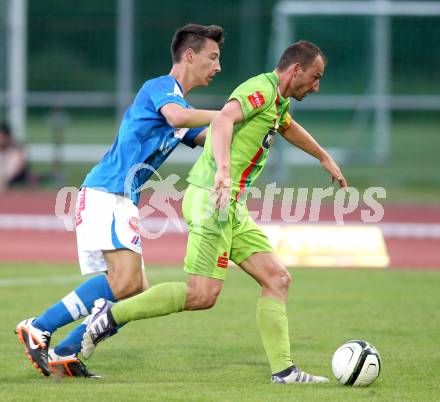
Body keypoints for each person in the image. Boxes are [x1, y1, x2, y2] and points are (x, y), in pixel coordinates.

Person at [81, 40, 348, 384]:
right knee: (201, 295)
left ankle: (284, 371)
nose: (317, 86)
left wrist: (323, 157)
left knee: (277, 278)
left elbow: (286, 125)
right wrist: (223, 170)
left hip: (231, 205)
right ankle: (110, 316)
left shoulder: (277, 101)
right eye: (315, 77)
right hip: (213, 197)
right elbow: (224, 120)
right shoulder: (259, 90)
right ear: (295, 70)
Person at [15, 23, 224, 378]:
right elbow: (177, 117)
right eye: (213, 57)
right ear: (189, 55)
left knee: (134, 295)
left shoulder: (182, 107)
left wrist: (255, 124)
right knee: (126, 283)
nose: (218, 66)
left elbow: (208, 136)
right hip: (107, 191)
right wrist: (227, 114)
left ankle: (67, 350)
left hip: (118, 197)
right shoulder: (160, 89)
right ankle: (39, 326)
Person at [0, 122, 30, 191]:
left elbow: (17, 168)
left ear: (6, 136)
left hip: (13, 181)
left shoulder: (17, 150)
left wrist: (5, 180)